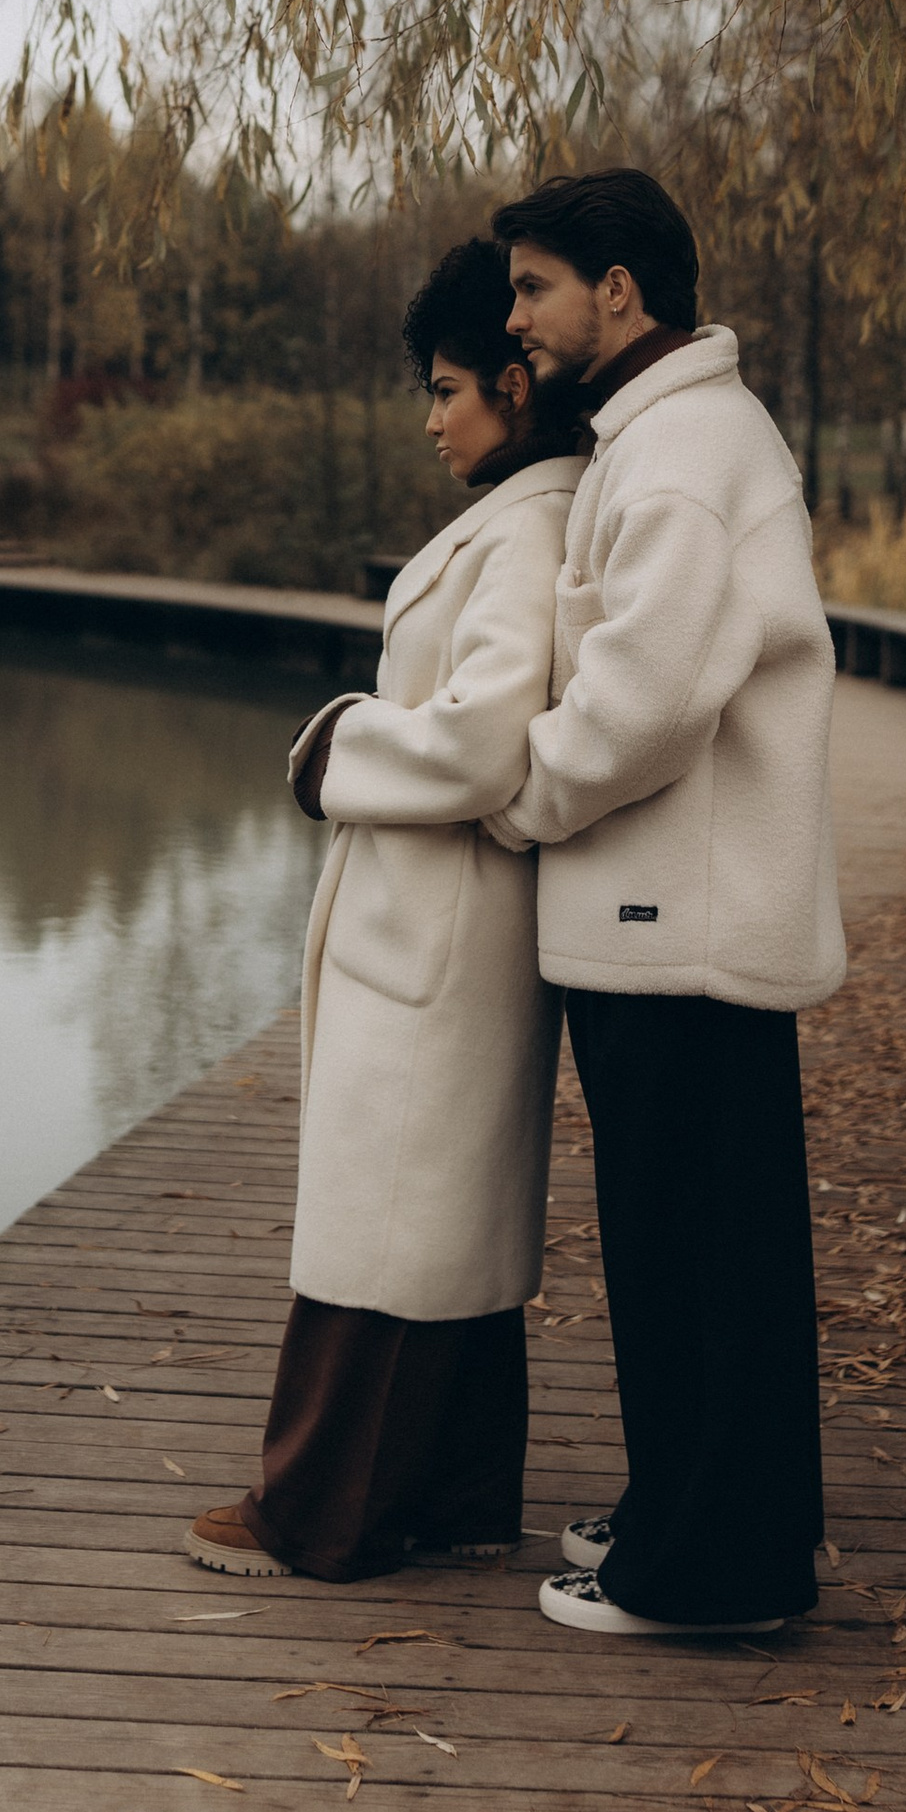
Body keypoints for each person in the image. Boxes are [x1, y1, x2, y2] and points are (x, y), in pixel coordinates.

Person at [183, 238, 587, 1583]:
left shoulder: (528, 531)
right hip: (439, 922)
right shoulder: (517, 517)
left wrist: (333, 748)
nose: (431, 418)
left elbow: (483, 742)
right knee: (434, 1223)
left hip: (444, 927)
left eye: (450, 387)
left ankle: (321, 1512)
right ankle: (453, 1494)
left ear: (519, 388)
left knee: (391, 1225)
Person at [485, 165, 845, 1640]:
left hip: (673, 917)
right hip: (678, 909)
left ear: (617, 292)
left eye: (533, 288)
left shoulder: (683, 449)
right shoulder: (670, 432)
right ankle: (722, 1516)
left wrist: (523, 793)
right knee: (708, 1242)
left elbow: (643, 703)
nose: (519, 319)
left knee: (692, 1244)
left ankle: (708, 1574)